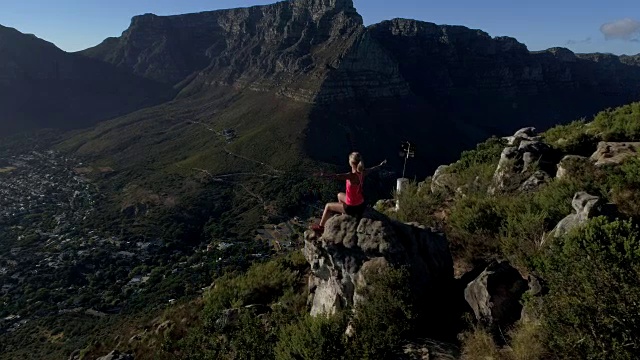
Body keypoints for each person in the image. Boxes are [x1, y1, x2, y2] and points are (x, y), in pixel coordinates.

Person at [311, 152, 387, 233]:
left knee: (328, 206)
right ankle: (344, 216)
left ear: (351, 163)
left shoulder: (351, 175)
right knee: (339, 195)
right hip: (361, 205)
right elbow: (373, 169)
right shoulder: (363, 172)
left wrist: (323, 175)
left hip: (352, 207)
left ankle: (321, 227)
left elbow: (336, 176)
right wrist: (380, 165)